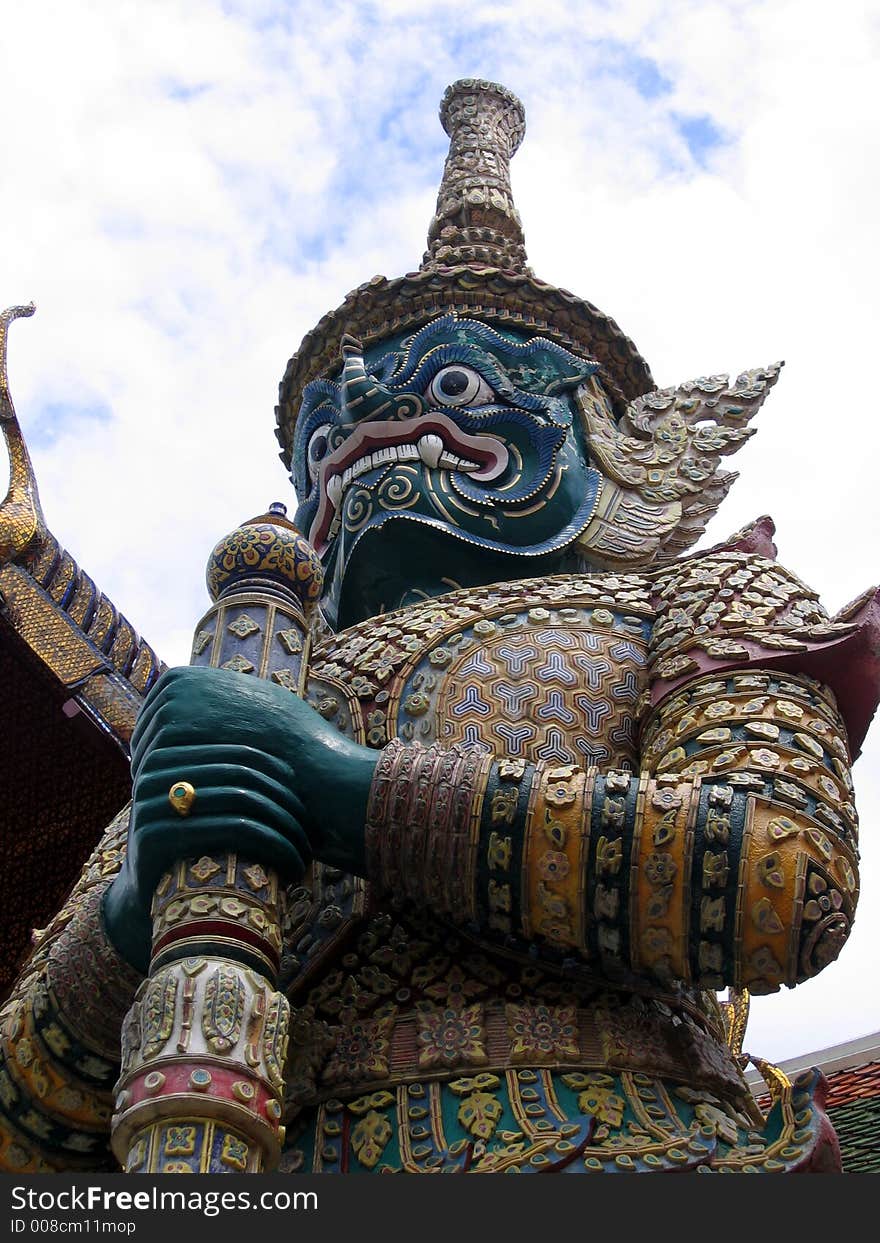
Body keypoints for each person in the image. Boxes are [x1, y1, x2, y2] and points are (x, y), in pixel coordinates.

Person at [2, 79, 877, 1175]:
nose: (362, 401)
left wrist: (350, 793)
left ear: (601, 435)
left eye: (451, 377)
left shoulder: (692, 603)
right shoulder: (249, 685)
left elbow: (782, 876)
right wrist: (132, 915)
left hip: (630, 1147)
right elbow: (21, 1125)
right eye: (325, 424)